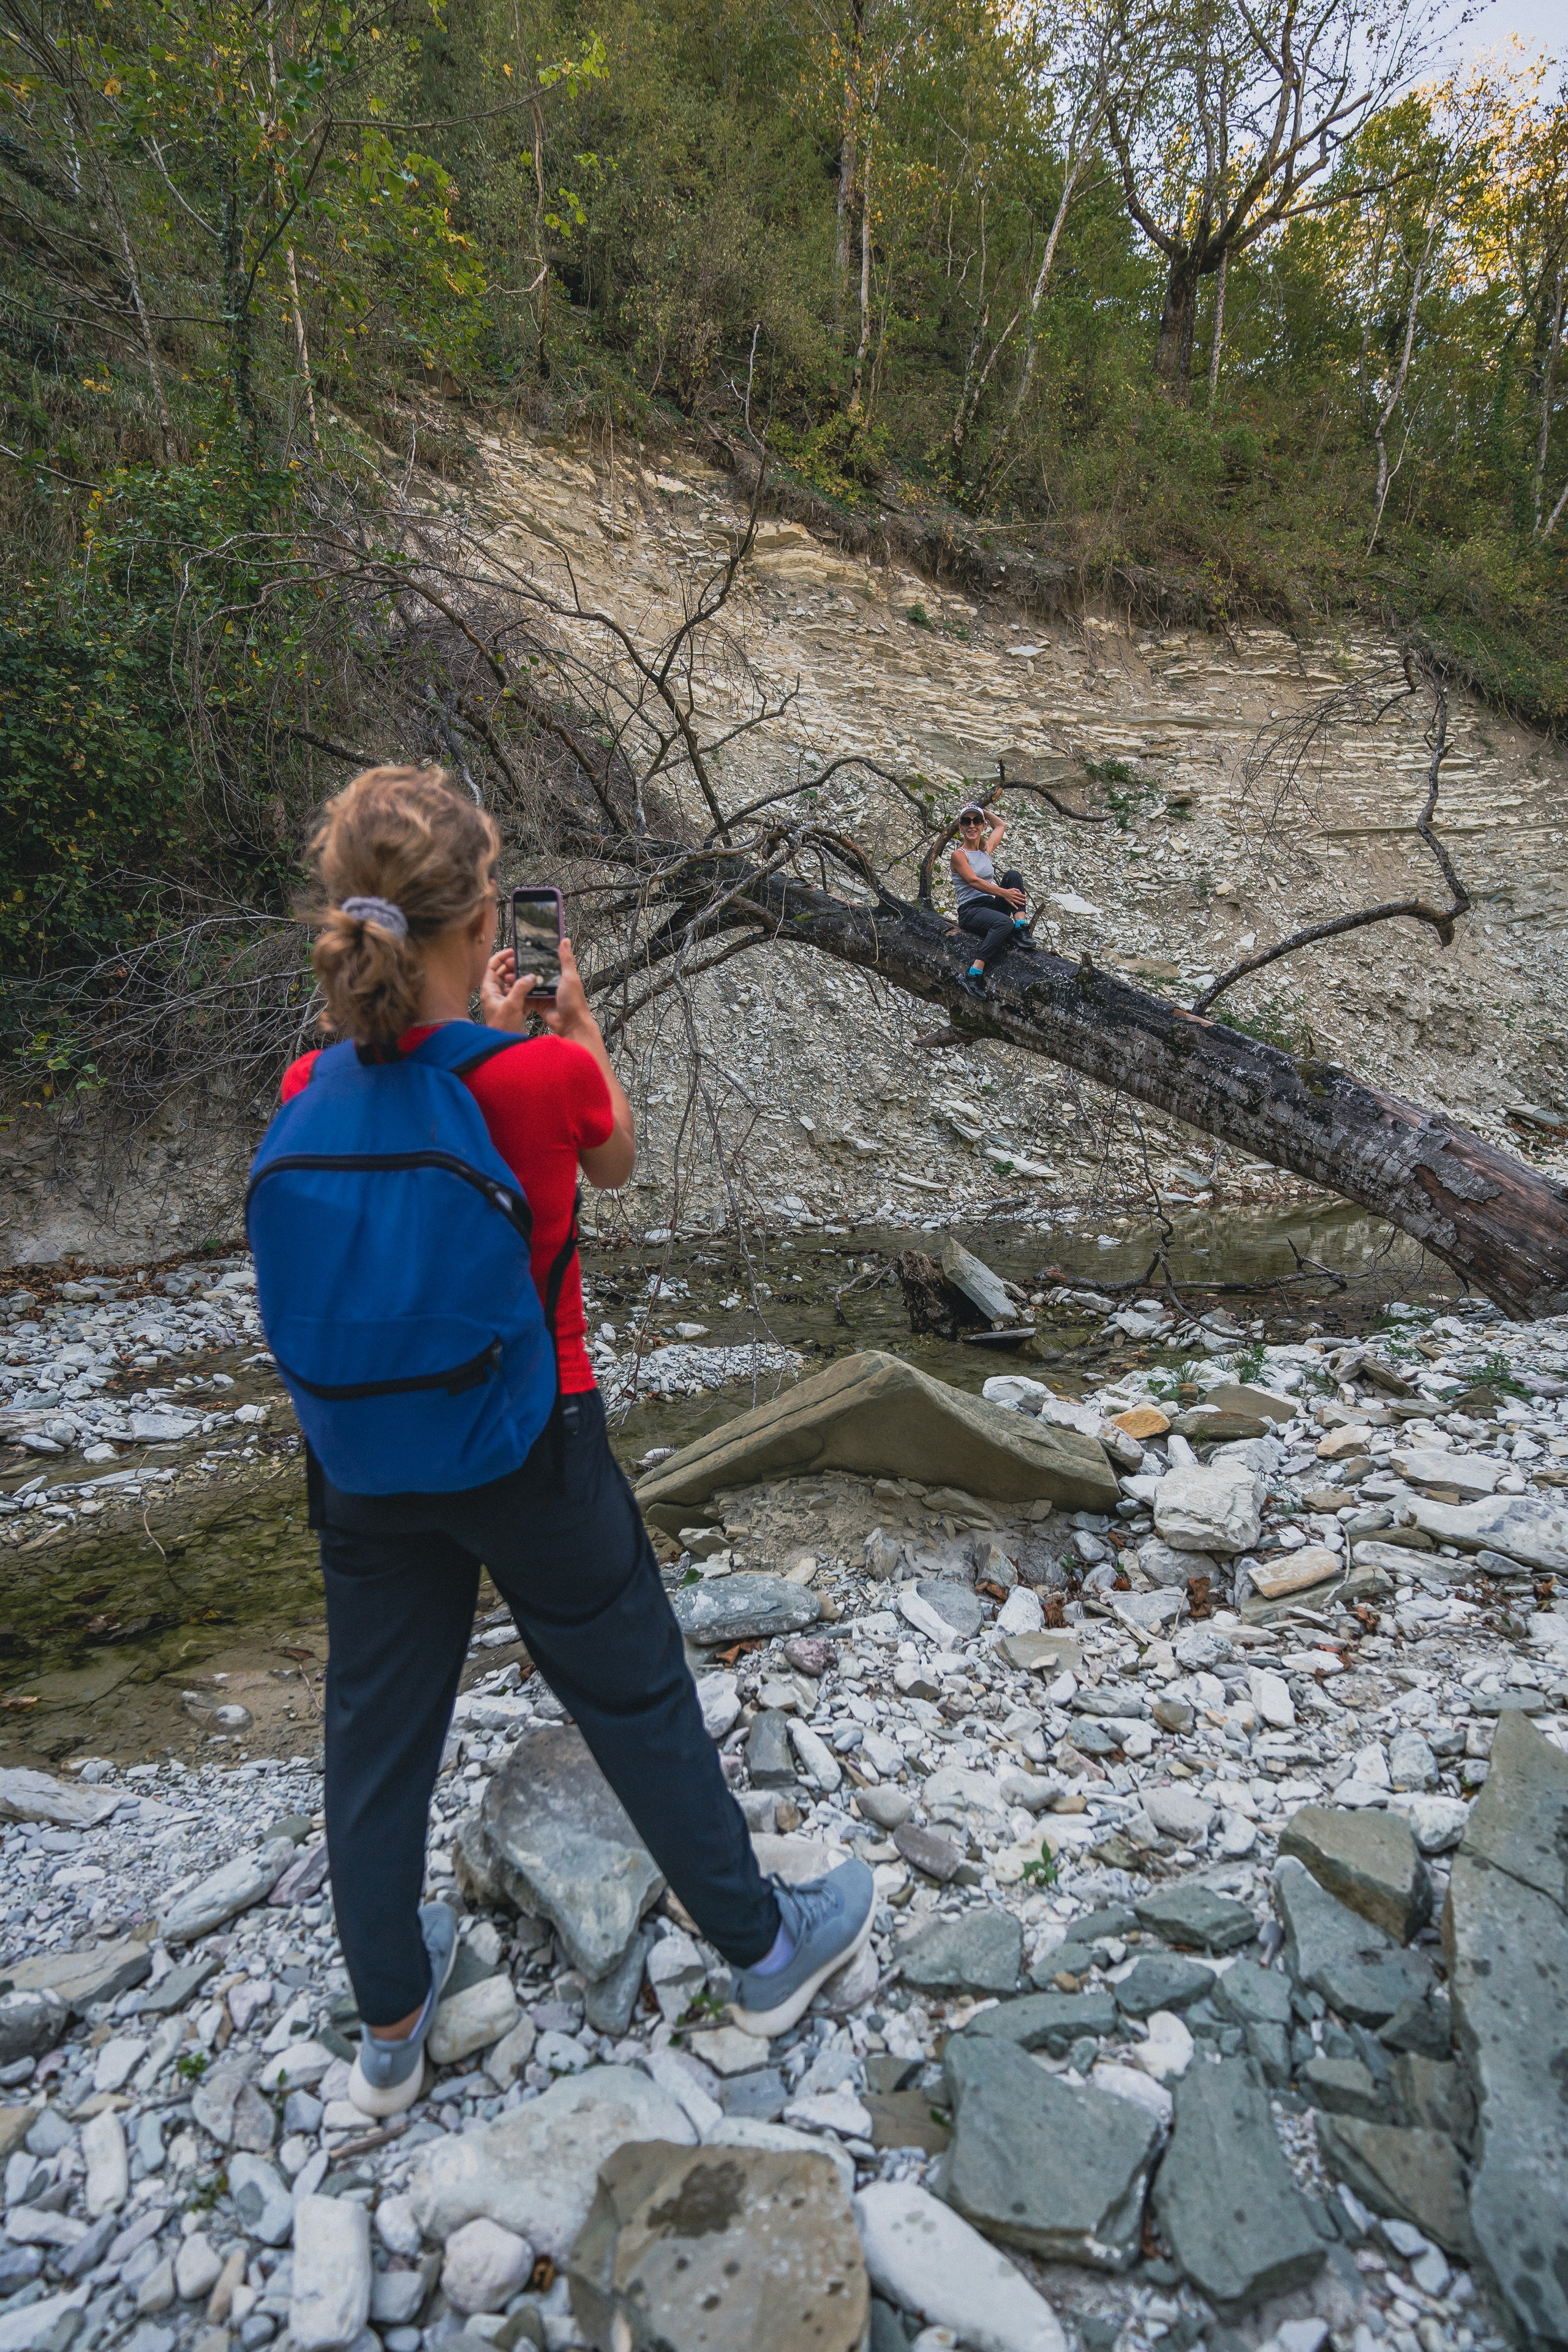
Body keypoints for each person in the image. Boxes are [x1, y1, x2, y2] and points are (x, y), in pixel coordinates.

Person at [276, 766, 873, 2118]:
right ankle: (764, 1951)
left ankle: (387, 2023)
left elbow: (391, 1086)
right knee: (634, 1696)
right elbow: (609, 1162)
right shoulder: (542, 1074)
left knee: (374, 1736)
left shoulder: (302, 1077)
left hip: (362, 1461)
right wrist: (575, 1022)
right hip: (530, 1439)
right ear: (487, 915)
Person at [950, 802, 1031, 997]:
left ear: (983, 825)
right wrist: (1003, 893)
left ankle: (1021, 928)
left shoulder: (985, 850)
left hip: (989, 906)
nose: (972, 826)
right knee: (1004, 923)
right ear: (960, 826)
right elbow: (973, 881)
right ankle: (973, 973)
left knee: (1013, 876)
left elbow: (1001, 825)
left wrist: (980, 808)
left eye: (977, 821)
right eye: (966, 821)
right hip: (970, 911)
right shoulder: (959, 855)